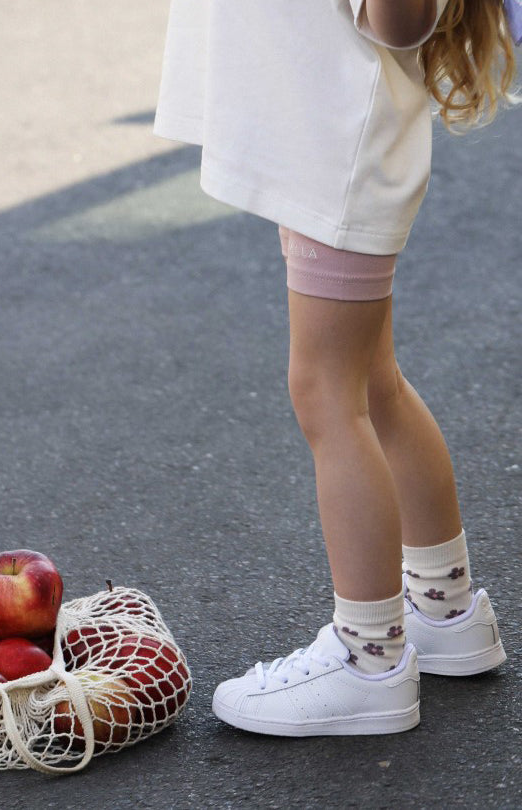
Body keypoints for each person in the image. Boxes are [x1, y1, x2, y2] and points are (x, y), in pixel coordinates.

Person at [154, 0, 515, 736]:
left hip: (337, 153)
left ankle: (369, 660)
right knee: (372, 386)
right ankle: (443, 611)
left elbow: (402, 20)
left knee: (328, 394)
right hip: (327, 144)